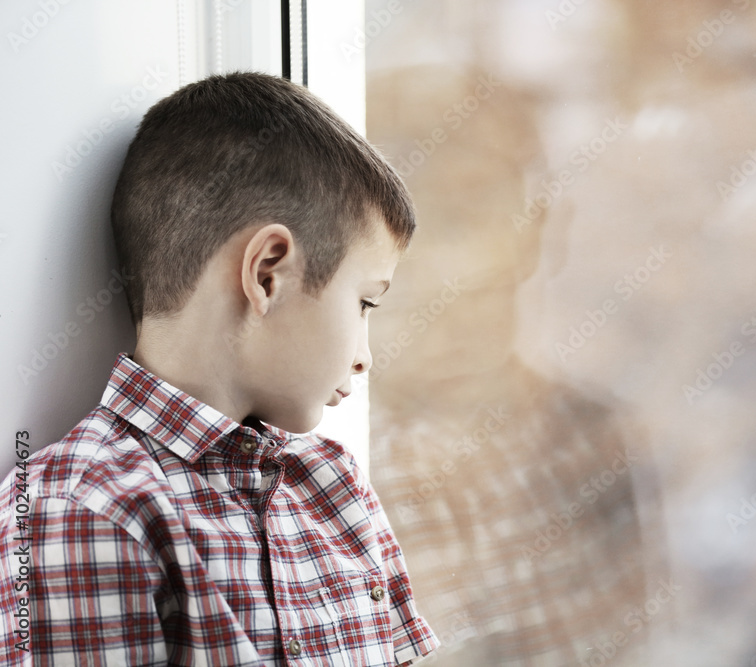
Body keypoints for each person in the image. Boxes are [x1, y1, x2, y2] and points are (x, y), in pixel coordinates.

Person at [0, 71, 439, 666]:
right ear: (267, 275)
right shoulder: (82, 511)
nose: (364, 355)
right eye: (364, 302)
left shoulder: (335, 485)